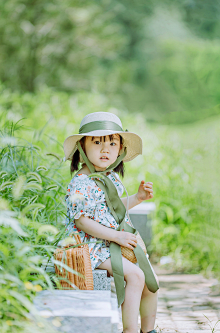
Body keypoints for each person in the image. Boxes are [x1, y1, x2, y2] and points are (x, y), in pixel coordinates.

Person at [64, 112, 159, 333]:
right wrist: (117, 236)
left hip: (113, 242)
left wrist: (137, 198)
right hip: (90, 245)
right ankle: (130, 330)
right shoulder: (81, 183)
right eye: (97, 142)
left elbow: (112, 209)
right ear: (82, 147)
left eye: (112, 143)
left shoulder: (111, 177)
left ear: (120, 149)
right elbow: (82, 222)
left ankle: (149, 330)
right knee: (135, 276)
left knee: (150, 280)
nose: (105, 149)